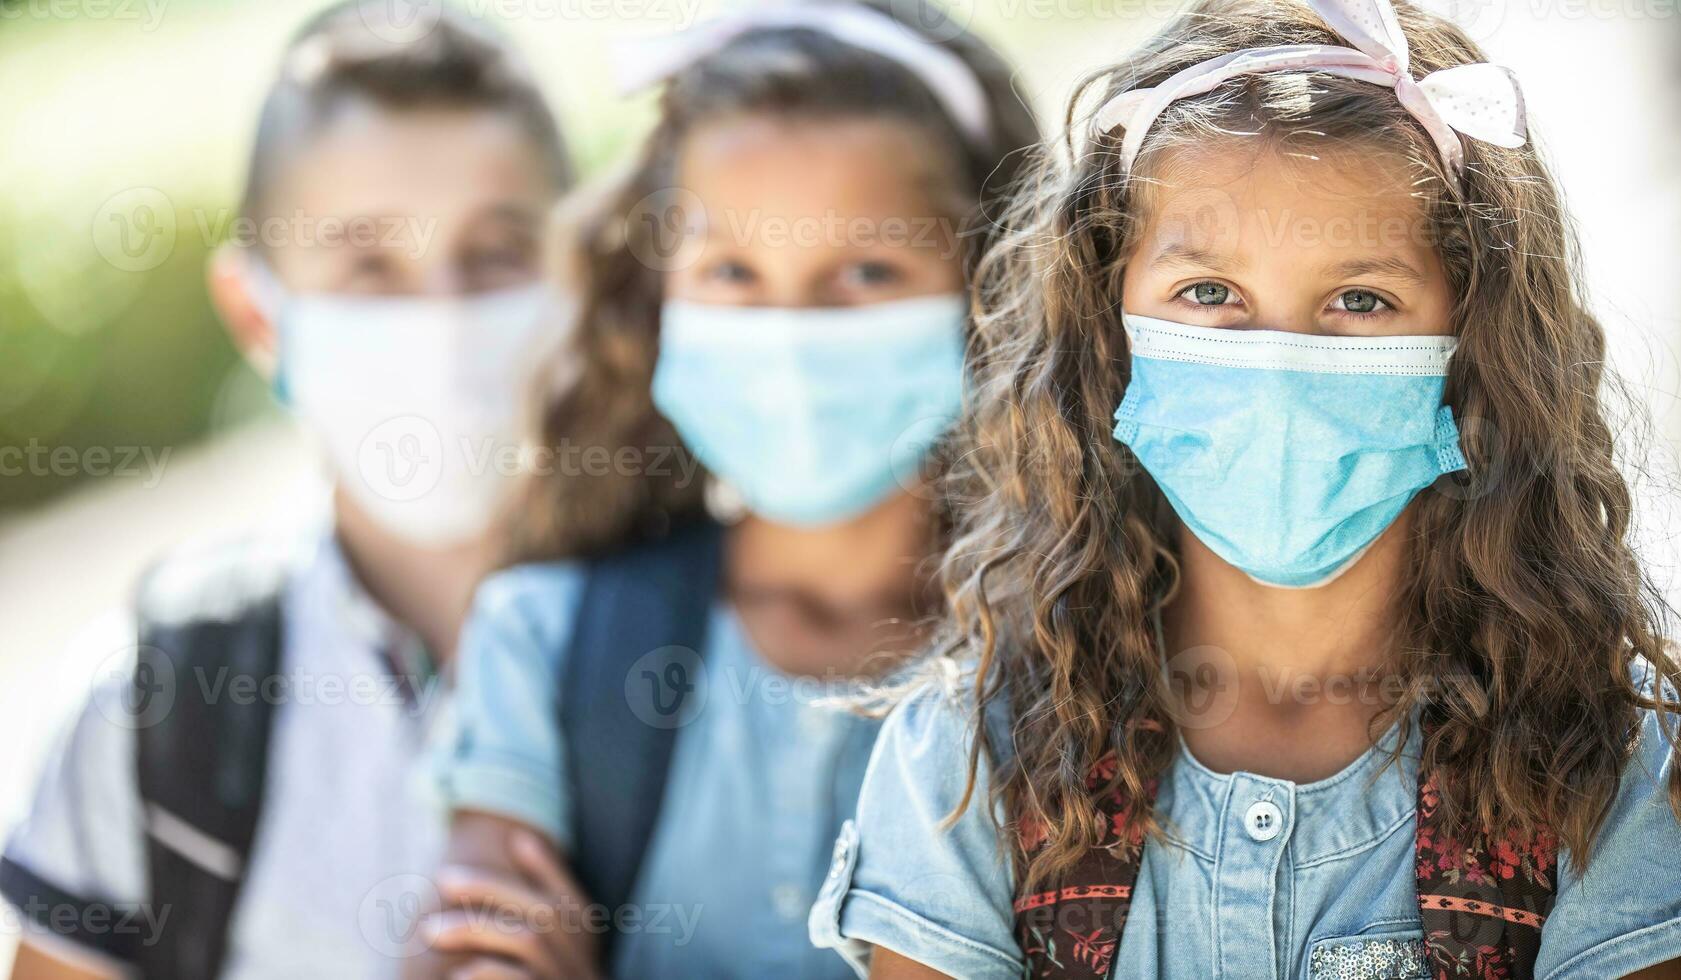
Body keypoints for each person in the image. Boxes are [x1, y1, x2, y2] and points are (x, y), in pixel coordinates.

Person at [809, 0, 1681, 977]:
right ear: (1106, 320)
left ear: (1472, 347)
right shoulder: (974, 755)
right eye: (1208, 294)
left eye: (1360, 299)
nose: (1274, 364)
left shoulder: (1609, 762)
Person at [407, 3, 1039, 977]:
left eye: (867, 270)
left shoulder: (1074, 674)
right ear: (655, 295)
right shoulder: (545, 639)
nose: (789, 332)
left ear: (992, 286)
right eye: (732, 270)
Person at [0, 4, 574, 978]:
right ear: (257, 314)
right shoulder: (155, 704)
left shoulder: (727, 650)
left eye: (495, 253)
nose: (439, 318)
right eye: (368, 263)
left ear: (577, 276)